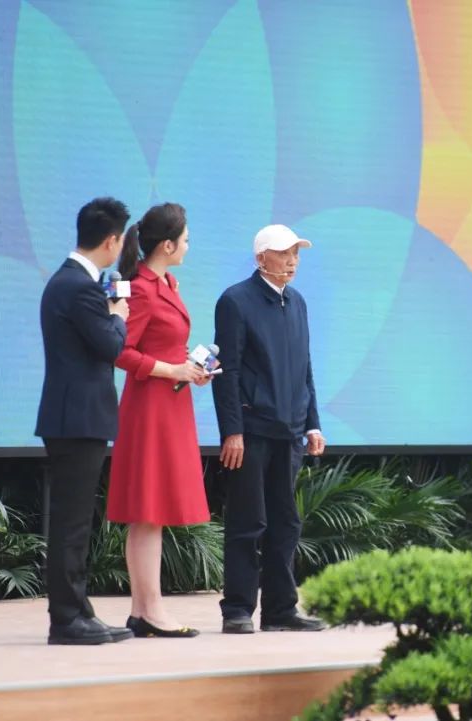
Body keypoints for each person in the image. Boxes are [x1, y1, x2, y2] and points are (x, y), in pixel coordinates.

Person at [211, 224, 326, 634]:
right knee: (247, 522)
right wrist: (232, 431)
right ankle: (238, 610)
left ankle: (280, 610)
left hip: (289, 432)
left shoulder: (297, 303)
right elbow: (228, 372)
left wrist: (312, 424)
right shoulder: (235, 301)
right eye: (284, 252)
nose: (293, 259)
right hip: (252, 432)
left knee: (286, 522)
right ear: (262, 258)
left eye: (296, 252)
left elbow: (304, 368)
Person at [107, 203, 213, 638]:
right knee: (147, 510)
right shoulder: (142, 288)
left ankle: (143, 609)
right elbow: (120, 351)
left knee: (154, 510)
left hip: (170, 403)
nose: (188, 246)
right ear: (167, 245)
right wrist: (173, 370)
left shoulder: (167, 282)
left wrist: (189, 366)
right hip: (151, 405)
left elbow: (163, 345)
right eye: (185, 240)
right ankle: (149, 610)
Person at [35, 197, 134, 645]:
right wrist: (117, 316)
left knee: (75, 522)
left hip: (73, 417)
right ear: (111, 241)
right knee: (72, 523)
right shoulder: (79, 286)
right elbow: (110, 347)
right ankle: (66, 619)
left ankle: (78, 610)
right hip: (77, 419)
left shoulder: (70, 281)